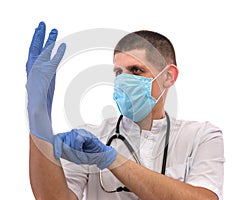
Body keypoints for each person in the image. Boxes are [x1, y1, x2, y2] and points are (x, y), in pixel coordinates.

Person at [26, 21, 224, 200]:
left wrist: (110, 159)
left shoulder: (201, 136)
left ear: (168, 77)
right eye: (118, 72)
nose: (123, 81)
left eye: (136, 70)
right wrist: (38, 115)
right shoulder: (90, 139)